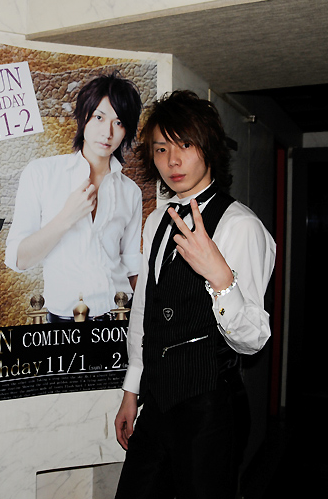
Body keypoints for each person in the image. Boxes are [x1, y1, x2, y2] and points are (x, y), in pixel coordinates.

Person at [113, 90, 276, 498]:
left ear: (208, 147)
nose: (172, 160)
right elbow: (145, 311)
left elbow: (253, 340)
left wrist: (220, 277)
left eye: (184, 145)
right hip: (157, 403)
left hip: (210, 409)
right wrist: (132, 390)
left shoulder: (241, 226)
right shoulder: (157, 220)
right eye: (161, 148)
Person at [4, 71, 143, 321]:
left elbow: (132, 266)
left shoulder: (130, 191)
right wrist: (67, 217)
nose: (107, 132)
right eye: (99, 117)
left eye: (118, 122)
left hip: (120, 317)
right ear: (83, 116)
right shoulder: (41, 173)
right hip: (64, 320)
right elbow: (18, 259)